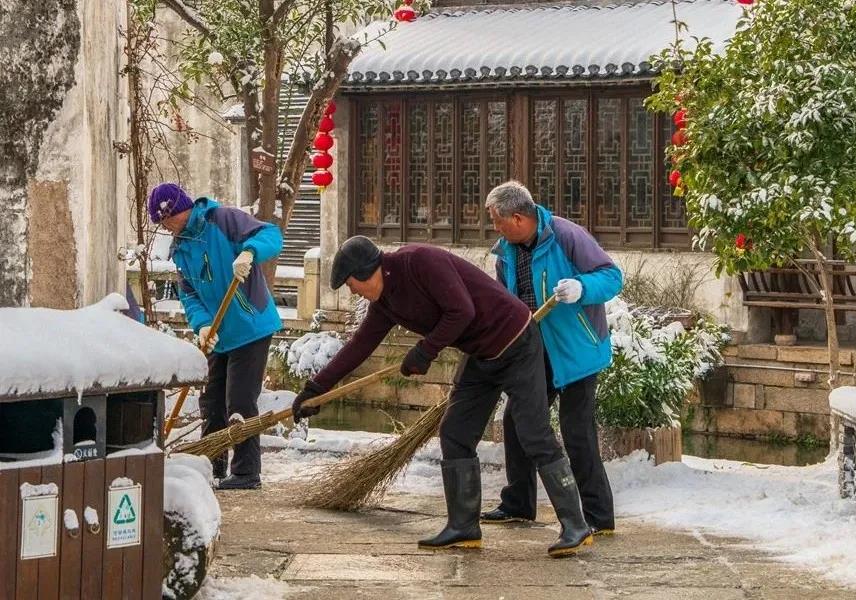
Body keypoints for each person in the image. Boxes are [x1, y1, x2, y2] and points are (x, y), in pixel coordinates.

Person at [292, 236, 593, 557]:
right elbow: (359, 346)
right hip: (481, 353)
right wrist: (317, 389)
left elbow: (461, 310)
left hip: (516, 339)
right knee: (455, 433)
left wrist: (425, 351)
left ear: (368, 271)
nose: (352, 292)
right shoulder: (385, 303)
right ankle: (463, 526)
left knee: (533, 432)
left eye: (351, 285)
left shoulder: (419, 261)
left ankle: (575, 525)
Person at [481, 180, 622, 536]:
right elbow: (503, 300)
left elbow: (611, 276)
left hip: (576, 351)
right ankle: (519, 503)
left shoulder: (566, 235)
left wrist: (582, 288)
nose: (495, 228)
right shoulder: (506, 252)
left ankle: (598, 517)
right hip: (533, 351)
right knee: (516, 421)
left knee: (578, 433)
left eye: (498, 221)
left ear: (517, 217)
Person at [148, 182, 283, 490]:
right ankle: (211, 465)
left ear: (178, 210)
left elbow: (272, 235)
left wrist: (250, 252)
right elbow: (190, 294)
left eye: (165, 219)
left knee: (239, 400)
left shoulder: (222, 219)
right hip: (219, 333)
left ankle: (247, 472)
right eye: (161, 223)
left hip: (251, 325)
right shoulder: (180, 248)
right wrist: (203, 325)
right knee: (210, 402)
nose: (166, 227)